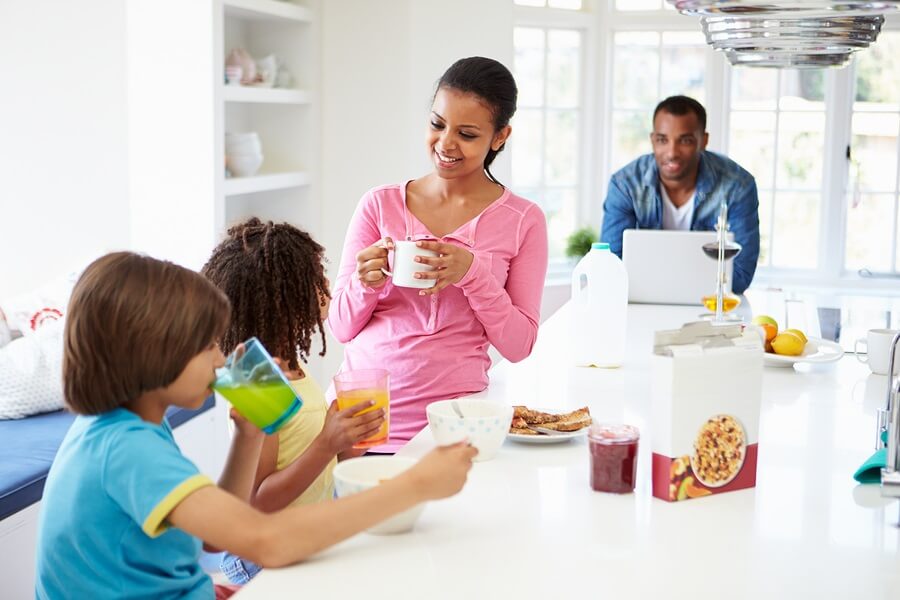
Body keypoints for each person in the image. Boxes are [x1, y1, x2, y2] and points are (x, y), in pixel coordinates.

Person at [35, 251, 477, 599]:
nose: (220, 359)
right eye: (207, 345)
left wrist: (250, 434)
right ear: (153, 354)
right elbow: (264, 541)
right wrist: (416, 486)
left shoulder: (122, 427)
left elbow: (211, 539)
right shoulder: (129, 450)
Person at [328, 56, 549, 452]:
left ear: (499, 137)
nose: (445, 144)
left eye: (466, 134)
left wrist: (473, 275)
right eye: (436, 124)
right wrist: (367, 283)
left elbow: (519, 346)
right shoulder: (379, 205)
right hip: (362, 424)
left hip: (452, 430)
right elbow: (342, 328)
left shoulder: (523, 220)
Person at [201, 217, 384, 584]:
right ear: (282, 301)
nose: (326, 285)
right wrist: (326, 443)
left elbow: (307, 453)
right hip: (262, 558)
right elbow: (258, 501)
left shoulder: (291, 365)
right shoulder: (256, 380)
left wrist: (348, 444)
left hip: (299, 539)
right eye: (313, 279)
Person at [600, 95, 760, 294]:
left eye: (685, 140)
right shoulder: (625, 185)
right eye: (662, 140)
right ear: (652, 140)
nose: (672, 152)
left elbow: (740, 274)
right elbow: (609, 266)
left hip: (710, 307)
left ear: (704, 141)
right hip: (644, 304)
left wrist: (656, 278)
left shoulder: (737, 186)